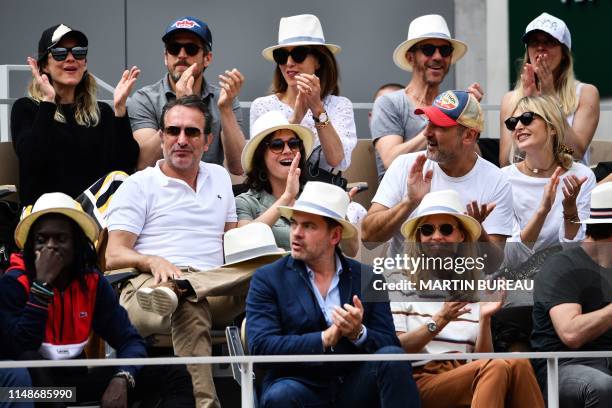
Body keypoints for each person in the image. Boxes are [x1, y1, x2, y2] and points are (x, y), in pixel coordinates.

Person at [105, 95, 241, 407]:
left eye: (192, 132)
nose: (181, 140)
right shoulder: (138, 185)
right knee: (187, 302)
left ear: (207, 140)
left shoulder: (219, 177)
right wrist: (151, 260)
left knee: (272, 282)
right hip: (147, 288)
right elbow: (113, 256)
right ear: (162, 136)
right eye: (173, 131)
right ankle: (207, 404)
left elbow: (231, 239)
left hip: (213, 284)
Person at [0, 192, 194, 407]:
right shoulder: (14, 283)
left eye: (61, 238)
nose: (50, 246)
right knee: (29, 362)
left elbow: (130, 340)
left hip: (73, 388)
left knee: (173, 371)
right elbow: (18, 348)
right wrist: (42, 287)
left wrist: (123, 378)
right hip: (25, 391)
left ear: (77, 245)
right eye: (41, 240)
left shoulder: (91, 283)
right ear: (30, 246)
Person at [246, 181, 420, 407]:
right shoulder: (268, 278)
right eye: (293, 224)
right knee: (281, 395)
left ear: (335, 236)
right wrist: (323, 339)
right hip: (297, 385)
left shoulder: (368, 278)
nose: (296, 234)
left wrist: (359, 333)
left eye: (308, 226)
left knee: (393, 359)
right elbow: (262, 347)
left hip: (354, 385)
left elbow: (391, 343)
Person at [390, 189, 544, 408]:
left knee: (517, 362)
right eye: (427, 230)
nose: (436, 236)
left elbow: (480, 360)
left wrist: (485, 319)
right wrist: (440, 320)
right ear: (419, 237)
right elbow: (396, 348)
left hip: (469, 374)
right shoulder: (398, 280)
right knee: (496, 366)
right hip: (420, 379)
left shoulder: (473, 286)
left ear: (461, 236)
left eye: (445, 229)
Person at [362, 90, 513, 260]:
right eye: (428, 122)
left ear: (469, 136)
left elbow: (492, 264)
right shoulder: (405, 166)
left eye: (439, 126)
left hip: (462, 284)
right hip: (405, 282)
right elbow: (368, 238)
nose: (426, 132)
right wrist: (409, 202)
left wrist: (476, 231)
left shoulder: (497, 181)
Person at [10, 24, 140, 206]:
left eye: (78, 52)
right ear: (44, 66)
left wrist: (120, 111)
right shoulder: (27, 108)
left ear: (84, 63)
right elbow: (32, 161)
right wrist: (48, 101)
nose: (71, 58)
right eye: (60, 53)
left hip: (95, 213)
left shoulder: (101, 112)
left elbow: (125, 165)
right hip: (47, 216)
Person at [127, 16, 246, 172]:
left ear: (207, 58)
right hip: (160, 192)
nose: (181, 55)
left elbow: (239, 167)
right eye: (174, 48)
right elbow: (143, 164)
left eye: (191, 49)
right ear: (165, 57)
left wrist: (226, 110)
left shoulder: (223, 99)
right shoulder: (145, 99)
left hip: (207, 190)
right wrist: (180, 104)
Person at [371, 14, 483, 179]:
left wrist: (467, 115)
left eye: (445, 51)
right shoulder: (389, 103)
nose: (437, 57)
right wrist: (438, 122)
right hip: (402, 198)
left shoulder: (454, 105)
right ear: (410, 57)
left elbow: (476, 162)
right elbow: (391, 160)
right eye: (428, 50)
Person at [531, 182, 612, 407]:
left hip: (608, 363)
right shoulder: (562, 266)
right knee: (602, 386)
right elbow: (571, 333)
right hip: (563, 366)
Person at [250, 14, 357, 175]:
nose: (289, 63)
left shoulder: (340, 106)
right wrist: (296, 119)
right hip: (277, 196)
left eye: (299, 54)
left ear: (319, 60)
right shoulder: (263, 106)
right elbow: (261, 164)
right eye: (281, 56)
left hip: (323, 194)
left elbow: (336, 160)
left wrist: (318, 110)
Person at [502, 95, 596, 266]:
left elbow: (580, 251)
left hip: (566, 275)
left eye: (527, 118)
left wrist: (570, 211)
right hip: (518, 278)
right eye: (512, 122)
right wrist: (543, 211)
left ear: (552, 127)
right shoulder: (503, 179)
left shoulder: (582, 175)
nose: (518, 126)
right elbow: (511, 257)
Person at [499, 12, 599, 167]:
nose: (540, 48)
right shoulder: (510, 99)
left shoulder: (586, 93)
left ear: (564, 53)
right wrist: (528, 107)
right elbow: (506, 162)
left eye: (549, 42)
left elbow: (575, 153)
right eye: (533, 42)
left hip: (569, 181)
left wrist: (550, 100)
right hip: (524, 182)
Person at [236, 110, 313, 250]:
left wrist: (339, 214)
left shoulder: (314, 196)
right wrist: (287, 197)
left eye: (294, 143)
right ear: (261, 157)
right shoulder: (246, 202)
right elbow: (242, 243)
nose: (288, 150)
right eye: (277, 145)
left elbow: (351, 248)